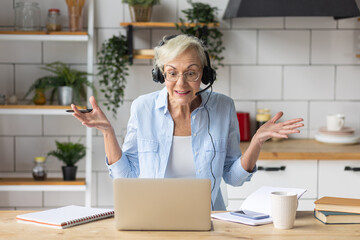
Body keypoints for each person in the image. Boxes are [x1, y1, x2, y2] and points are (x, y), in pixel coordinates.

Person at [71, 34, 304, 210]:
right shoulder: (143, 107)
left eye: (191, 73)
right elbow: (126, 177)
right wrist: (107, 133)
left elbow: (233, 178)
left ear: (204, 74)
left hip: (209, 217)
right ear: (161, 74)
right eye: (172, 73)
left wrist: (256, 142)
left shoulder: (223, 107)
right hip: (153, 215)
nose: (181, 84)